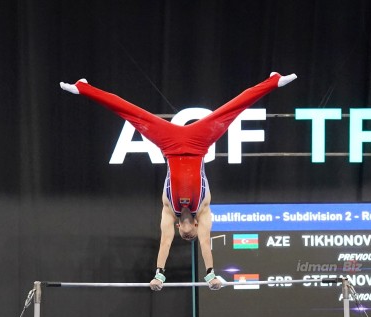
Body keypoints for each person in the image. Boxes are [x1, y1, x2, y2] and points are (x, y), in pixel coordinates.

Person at [60, 72, 297, 291]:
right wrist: (211, 275)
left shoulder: (168, 210)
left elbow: (164, 244)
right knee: (232, 110)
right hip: (198, 144)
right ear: (194, 226)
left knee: (131, 112)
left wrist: (159, 275)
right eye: (189, 233)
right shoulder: (203, 211)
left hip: (170, 145)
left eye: (182, 235)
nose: (186, 232)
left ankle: (83, 88)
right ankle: (273, 80)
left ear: (178, 228)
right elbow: (206, 244)